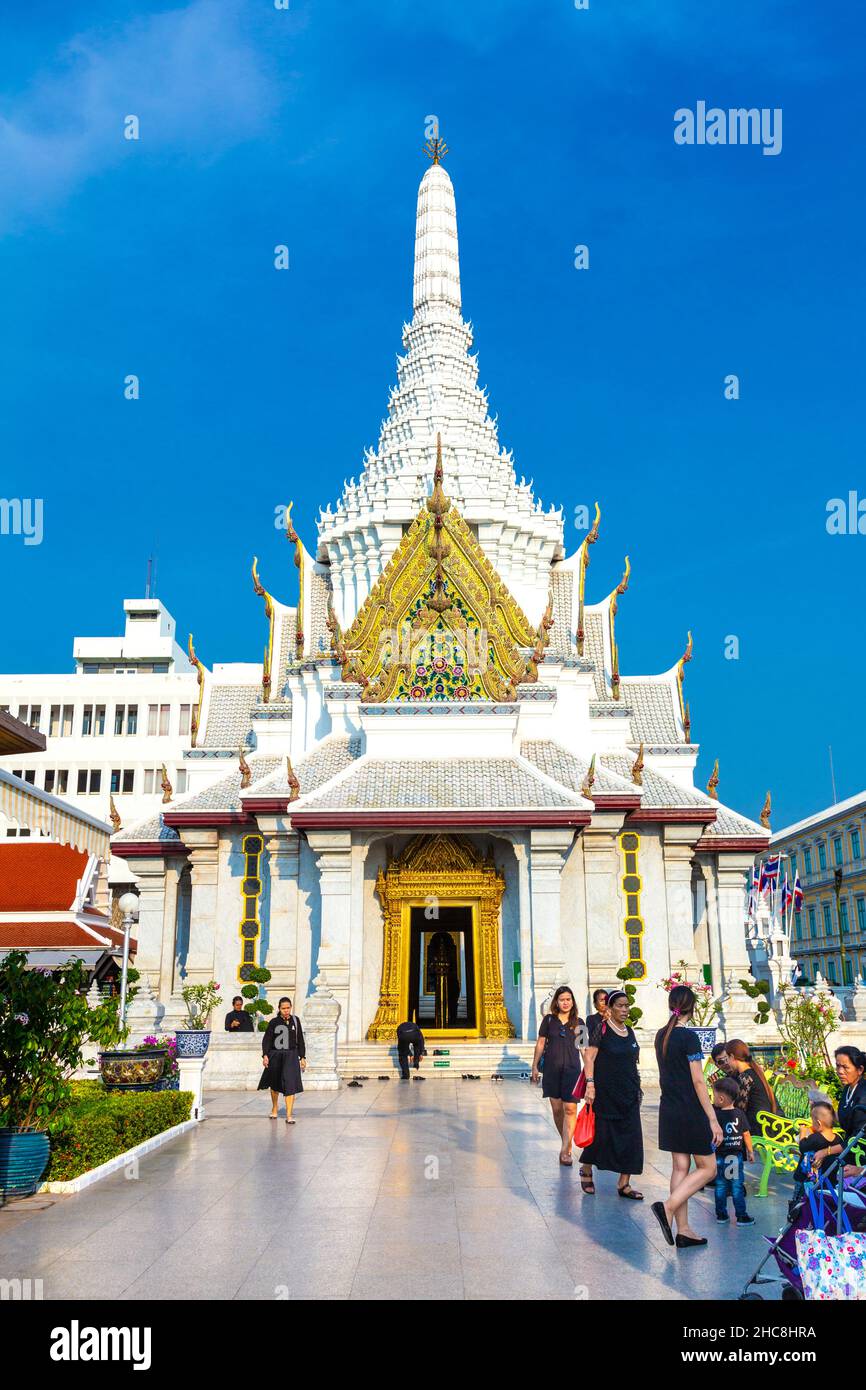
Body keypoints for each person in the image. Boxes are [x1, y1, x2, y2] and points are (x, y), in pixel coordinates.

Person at [650, 984, 723, 1251]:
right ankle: (666, 1207)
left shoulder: (661, 1035)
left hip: (669, 1108)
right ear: (692, 1008)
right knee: (709, 1168)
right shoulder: (689, 1037)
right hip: (690, 1109)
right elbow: (698, 1081)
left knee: (680, 1167)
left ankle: (684, 1230)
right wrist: (712, 1118)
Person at [578, 988, 644, 1198]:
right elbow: (589, 1058)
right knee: (601, 1136)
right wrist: (590, 1084)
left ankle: (624, 1183)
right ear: (610, 1008)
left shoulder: (630, 1031)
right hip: (605, 1093)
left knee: (632, 1138)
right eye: (620, 1006)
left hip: (629, 1092)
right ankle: (586, 1168)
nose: (625, 1010)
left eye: (627, 1006)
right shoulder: (601, 1029)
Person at [531, 985, 585, 1167]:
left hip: (572, 1070)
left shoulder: (580, 1022)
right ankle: (565, 1140)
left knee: (570, 1108)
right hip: (552, 1071)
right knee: (557, 1109)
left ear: (572, 1001)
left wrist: (591, 1073)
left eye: (568, 999)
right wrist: (534, 1067)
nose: (565, 1002)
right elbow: (540, 1044)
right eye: (562, 999)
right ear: (557, 1002)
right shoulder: (548, 1021)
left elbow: (584, 1049)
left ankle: (566, 1149)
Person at [811, 1046, 866, 1175]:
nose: (840, 1071)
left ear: (860, 1070)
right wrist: (821, 1108)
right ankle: (807, 1192)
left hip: (859, 1152)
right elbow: (844, 1117)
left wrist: (827, 1151)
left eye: (845, 1067)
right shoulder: (848, 1089)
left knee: (824, 1159)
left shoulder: (863, 1096)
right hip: (849, 1145)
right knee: (811, 1148)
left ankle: (818, 1193)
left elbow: (857, 1138)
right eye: (838, 1066)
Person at [712, 1076, 755, 1225]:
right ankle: (741, 1216)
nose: (713, 1099)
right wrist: (750, 1151)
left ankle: (721, 1215)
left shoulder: (715, 1116)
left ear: (721, 1099)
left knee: (721, 1185)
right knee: (737, 1185)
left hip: (719, 1156)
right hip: (735, 1156)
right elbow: (746, 1133)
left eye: (714, 1096)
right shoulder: (739, 1114)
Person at [258, 997, 306, 1122]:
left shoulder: (296, 1021)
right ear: (279, 1009)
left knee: (290, 1084)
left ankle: (289, 1115)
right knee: (275, 1084)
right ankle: (275, 1108)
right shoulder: (274, 1022)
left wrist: (302, 1057)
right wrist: (265, 1055)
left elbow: (300, 1039)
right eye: (283, 1008)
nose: (286, 1010)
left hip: (291, 1055)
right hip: (276, 1055)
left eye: (288, 1008)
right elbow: (267, 1039)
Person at [790, 1101, 840, 1215]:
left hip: (805, 1180)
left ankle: (794, 1223)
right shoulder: (838, 1140)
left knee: (798, 1204)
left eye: (812, 1121)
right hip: (826, 1182)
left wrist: (802, 1132)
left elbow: (802, 1147)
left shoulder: (815, 1138)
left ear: (818, 1123)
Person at [726, 1039, 777, 1130]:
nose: (727, 1063)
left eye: (727, 1058)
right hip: (764, 1122)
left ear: (732, 1056)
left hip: (758, 1127)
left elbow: (739, 1109)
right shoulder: (753, 1072)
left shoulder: (745, 1077)